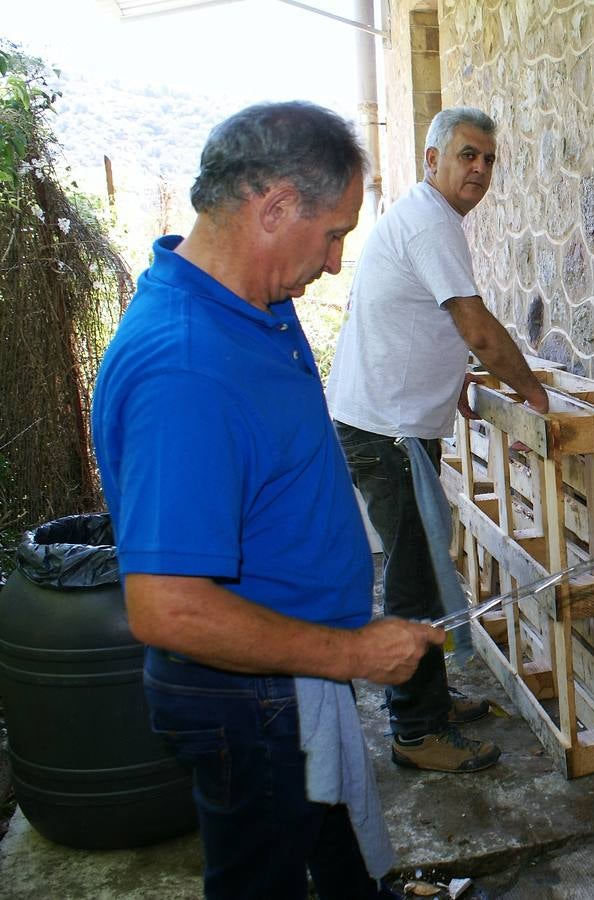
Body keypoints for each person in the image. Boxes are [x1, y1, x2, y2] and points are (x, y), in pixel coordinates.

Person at [91, 101, 443, 900]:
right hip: (244, 695)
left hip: (291, 674)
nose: (334, 261)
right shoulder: (185, 369)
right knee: (261, 879)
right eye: (332, 234)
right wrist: (357, 655)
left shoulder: (256, 305)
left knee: (331, 849)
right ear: (275, 207)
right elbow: (168, 609)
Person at [326, 106, 548, 774]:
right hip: (387, 433)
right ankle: (417, 732)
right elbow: (475, 326)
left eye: (487, 159)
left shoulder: (427, 217)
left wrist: (453, 380)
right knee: (415, 581)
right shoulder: (430, 222)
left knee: (420, 566)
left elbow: (425, 323)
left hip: (386, 424)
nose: (478, 168)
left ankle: (429, 700)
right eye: (466, 155)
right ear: (432, 160)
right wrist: (531, 393)